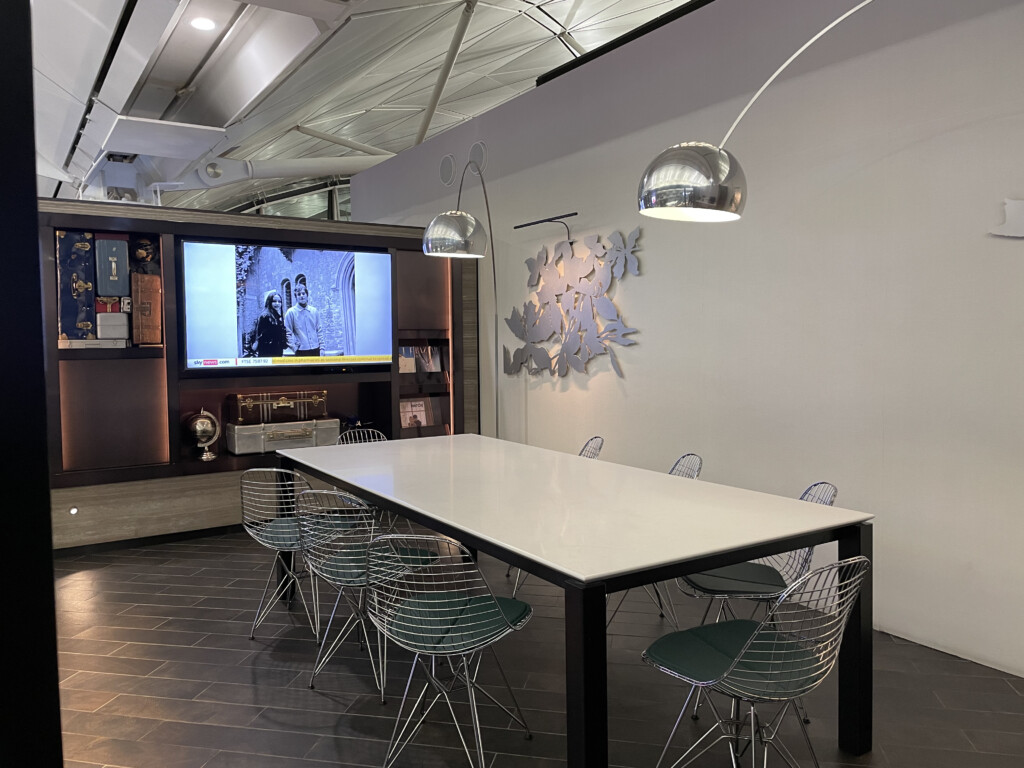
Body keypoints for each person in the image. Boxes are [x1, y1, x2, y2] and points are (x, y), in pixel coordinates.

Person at [284, 283, 323, 356]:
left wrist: (322, 348)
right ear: (296, 297)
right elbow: (287, 333)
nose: (301, 296)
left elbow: (319, 330)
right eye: (298, 294)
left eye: (303, 293)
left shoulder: (314, 311)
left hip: (316, 349)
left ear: (307, 295)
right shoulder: (291, 312)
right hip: (301, 351)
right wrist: (294, 347)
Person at [249, 290, 289, 357]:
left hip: (277, 350)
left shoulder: (277, 316)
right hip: (268, 351)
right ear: (269, 302)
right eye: (274, 301)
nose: (277, 303)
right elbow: (261, 336)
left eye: (279, 301)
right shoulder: (265, 316)